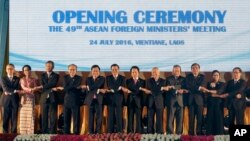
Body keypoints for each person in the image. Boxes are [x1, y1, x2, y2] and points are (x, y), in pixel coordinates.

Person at [54, 64, 82, 134]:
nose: (72, 71)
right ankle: (66, 134)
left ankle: (76, 134)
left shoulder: (79, 78)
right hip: (67, 101)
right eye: (70, 69)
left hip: (75, 100)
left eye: (74, 69)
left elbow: (67, 87)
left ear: (76, 70)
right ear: (68, 70)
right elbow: (66, 89)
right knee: (66, 119)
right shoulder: (65, 77)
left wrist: (68, 87)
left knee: (76, 119)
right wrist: (72, 87)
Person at [36, 60, 59, 134]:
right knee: (44, 116)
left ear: (52, 67)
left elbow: (53, 83)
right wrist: (51, 88)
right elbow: (44, 86)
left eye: (49, 66)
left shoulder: (56, 75)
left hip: (53, 98)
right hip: (44, 98)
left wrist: (43, 86)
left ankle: (53, 131)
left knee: (53, 116)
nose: (48, 67)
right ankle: (44, 131)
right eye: (47, 66)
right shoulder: (42, 75)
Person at [140, 67, 165, 134]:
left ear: (159, 73)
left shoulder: (163, 81)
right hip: (150, 102)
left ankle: (159, 133)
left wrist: (150, 91)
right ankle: (150, 133)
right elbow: (155, 89)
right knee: (150, 118)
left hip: (159, 102)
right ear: (151, 73)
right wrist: (160, 88)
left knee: (159, 119)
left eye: (156, 72)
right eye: (153, 72)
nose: (155, 73)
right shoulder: (148, 80)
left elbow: (161, 92)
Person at [83, 65, 106, 134]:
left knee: (99, 117)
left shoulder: (102, 78)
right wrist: (98, 90)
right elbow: (91, 88)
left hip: (99, 100)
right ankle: (91, 132)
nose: (95, 72)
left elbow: (97, 85)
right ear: (91, 71)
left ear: (99, 72)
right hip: (90, 100)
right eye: (94, 71)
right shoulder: (88, 79)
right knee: (90, 117)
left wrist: (91, 88)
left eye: (97, 71)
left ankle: (98, 131)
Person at [165, 65, 187, 134]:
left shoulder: (184, 79)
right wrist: (177, 90)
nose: (176, 71)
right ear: (172, 71)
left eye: (178, 70)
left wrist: (173, 87)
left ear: (180, 71)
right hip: (171, 101)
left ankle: (178, 134)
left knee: (180, 120)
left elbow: (184, 88)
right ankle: (170, 134)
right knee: (170, 119)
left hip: (180, 102)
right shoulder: (168, 79)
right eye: (175, 70)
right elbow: (168, 88)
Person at [186, 63, 207, 135]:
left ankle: (199, 132)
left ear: (199, 69)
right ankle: (191, 133)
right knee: (191, 118)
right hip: (191, 101)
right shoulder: (188, 76)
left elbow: (203, 86)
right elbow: (188, 86)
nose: (195, 69)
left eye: (196, 68)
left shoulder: (203, 77)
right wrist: (199, 87)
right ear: (191, 69)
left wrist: (198, 87)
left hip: (200, 101)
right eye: (193, 68)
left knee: (199, 118)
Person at [19, 65, 39, 134]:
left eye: (28, 70)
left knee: (30, 116)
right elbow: (23, 87)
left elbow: (36, 88)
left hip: (31, 99)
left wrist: (36, 88)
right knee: (23, 116)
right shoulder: (22, 79)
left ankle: (30, 133)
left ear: (30, 71)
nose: (26, 71)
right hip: (24, 99)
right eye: (25, 70)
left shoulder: (34, 79)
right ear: (23, 71)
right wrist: (31, 89)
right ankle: (23, 133)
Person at [106, 64, 126, 133]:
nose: (114, 70)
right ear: (111, 70)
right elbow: (110, 86)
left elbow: (122, 87)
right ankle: (110, 131)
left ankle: (119, 131)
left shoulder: (122, 78)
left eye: (116, 69)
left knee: (119, 116)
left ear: (118, 70)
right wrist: (117, 88)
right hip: (110, 99)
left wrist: (114, 89)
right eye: (113, 69)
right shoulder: (108, 78)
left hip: (119, 99)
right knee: (110, 116)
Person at [0, 64, 20, 133]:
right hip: (5, 101)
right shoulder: (3, 78)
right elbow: (5, 89)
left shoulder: (17, 79)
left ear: (14, 70)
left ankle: (13, 135)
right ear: (6, 70)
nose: (9, 70)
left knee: (14, 119)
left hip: (15, 101)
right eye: (8, 69)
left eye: (11, 69)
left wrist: (10, 91)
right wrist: (14, 91)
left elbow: (18, 88)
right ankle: (5, 136)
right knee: (5, 119)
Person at [126, 66, 145, 133]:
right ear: (131, 73)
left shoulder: (143, 81)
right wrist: (138, 89)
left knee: (138, 118)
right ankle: (130, 133)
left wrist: (131, 91)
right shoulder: (127, 81)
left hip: (139, 102)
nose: (134, 73)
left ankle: (138, 133)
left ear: (138, 72)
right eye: (133, 72)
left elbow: (142, 92)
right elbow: (127, 90)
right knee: (130, 118)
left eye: (135, 72)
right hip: (130, 101)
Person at [205, 70, 225, 135]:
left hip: (219, 104)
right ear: (212, 76)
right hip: (210, 104)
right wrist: (212, 92)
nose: (215, 76)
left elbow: (220, 91)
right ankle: (209, 136)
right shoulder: (208, 83)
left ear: (219, 76)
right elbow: (206, 93)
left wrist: (212, 92)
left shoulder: (222, 84)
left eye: (217, 75)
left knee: (219, 120)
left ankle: (219, 136)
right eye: (214, 75)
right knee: (210, 120)